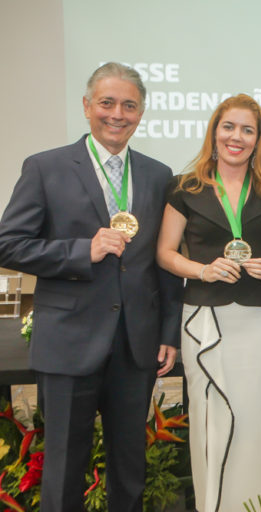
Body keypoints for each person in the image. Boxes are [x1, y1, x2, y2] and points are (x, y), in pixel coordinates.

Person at [0, 62, 182, 511]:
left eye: (129, 105)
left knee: (130, 467)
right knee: (64, 467)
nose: (117, 114)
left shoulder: (159, 174)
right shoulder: (45, 167)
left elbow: (163, 261)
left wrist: (168, 332)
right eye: (107, 103)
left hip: (136, 345)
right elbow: (9, 244)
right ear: (86, 106)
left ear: (141, 113)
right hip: (69, 342)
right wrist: (83, 251)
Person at [156, 94, 261, 511]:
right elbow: (164, 253)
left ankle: (254, 506)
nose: (237, 136)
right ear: (214, 132)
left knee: (256, 419)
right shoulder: (185, 188)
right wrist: (202, 270)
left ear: (258, 139)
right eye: (229, 127)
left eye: (248, 130)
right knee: (210, 422)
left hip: (260, 321)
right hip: (203, 317)